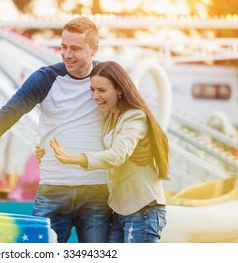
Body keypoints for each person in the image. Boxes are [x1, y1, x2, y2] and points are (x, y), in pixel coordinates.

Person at [0, 16, 150, 243]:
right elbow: (8, 113)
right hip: (53, 189)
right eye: (63, 47)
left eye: (75, 48)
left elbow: (134, 118)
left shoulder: (107, 81)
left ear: (94, 49)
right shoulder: (45, 78)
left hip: (97, 191)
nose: (67, 54)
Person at [49, 61, 169, 243]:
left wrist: (76, 159)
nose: (95, 96)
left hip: (142, 210)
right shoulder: (108, 115)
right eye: (92, 90)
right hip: (120, 210)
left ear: (120, 90)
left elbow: (117, 155)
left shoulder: (134, 116)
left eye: (102, 91)